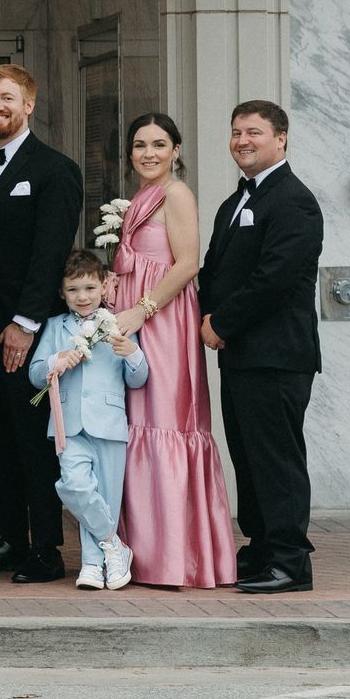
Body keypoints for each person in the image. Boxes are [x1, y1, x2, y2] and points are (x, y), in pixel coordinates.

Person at [0, 63, 83, 584]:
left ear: (29, 104)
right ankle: (8, 535)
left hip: (24, 330)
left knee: (33, 440)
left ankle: (46, 547)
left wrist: (25, 323)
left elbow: (50, 254)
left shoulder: (55, 169)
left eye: (7, 98)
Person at [200, 99, 324, 595]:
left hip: (277, 354)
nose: (242, 140)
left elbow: (274, 278)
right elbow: (213, 270)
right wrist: (201, 315)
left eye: (253, 131)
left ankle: (291, 561)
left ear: (281, 139)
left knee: (277, 458)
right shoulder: (236, 202)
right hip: (241, 354)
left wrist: (221, 322)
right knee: (249, 457)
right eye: (236, 132)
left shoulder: (293, 200)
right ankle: (261, 550)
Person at [108, 112, 237, 588]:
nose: (149, 153)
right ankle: (144, 552)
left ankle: (175, 555)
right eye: (140, 145)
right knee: (137, 420)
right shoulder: (138, 197)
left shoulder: (176, 194)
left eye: (159, 144)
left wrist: (140, 310)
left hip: (164, 322)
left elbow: (186, 265)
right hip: (134, 316)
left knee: (164, 419)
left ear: (176, 151)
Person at [29, 250, 151, 590]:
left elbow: (138, 379)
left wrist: (134, 355)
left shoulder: (119, 324)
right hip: (68, 425)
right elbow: (36, 374)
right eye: (73, 290)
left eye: (88, 288)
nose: (82, 297)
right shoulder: (56, 327)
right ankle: (114, 545)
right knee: (75, 486)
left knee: (106, 495)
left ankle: (94, 565)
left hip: (110, 424)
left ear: (104, 287)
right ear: (62, 293)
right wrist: (57, 358)